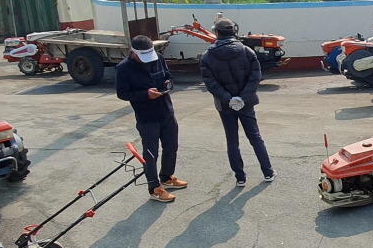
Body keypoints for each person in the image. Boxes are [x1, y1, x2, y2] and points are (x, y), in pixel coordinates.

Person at [200, 16, 275, 186]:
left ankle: (240, 178)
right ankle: (268, 172)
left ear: (217, 33)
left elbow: (210, 83)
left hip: (224, 105)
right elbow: (255, 76)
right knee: (255, 137)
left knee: (232, 140)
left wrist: (229, 99)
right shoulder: (247, 51)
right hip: (246, 103)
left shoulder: (207, 56)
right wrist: (243, 97)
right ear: (234, 31)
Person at [115, 35, 188, 202]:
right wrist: (145, 95)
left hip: (167, 112)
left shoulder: (158, 59)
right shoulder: (123, 68)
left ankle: (167, 177)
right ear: (133, 53)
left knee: (171, 147)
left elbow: (168, 75)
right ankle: (154, 188)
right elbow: (122, 93)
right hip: (147, 117)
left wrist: (168, 82)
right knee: (151, 153)